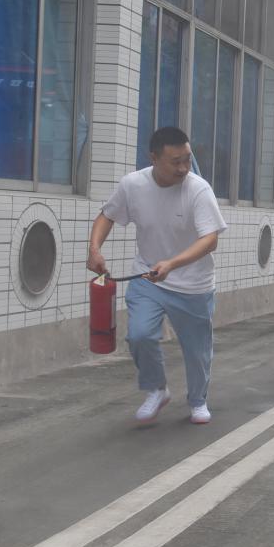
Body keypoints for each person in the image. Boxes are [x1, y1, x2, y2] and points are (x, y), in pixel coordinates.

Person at [87, 127, 227, 424]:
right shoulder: (132, 185)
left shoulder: (198, 189)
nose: (184, 168)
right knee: (139, 335)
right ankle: (156, 389)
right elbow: (107, 215)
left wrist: (172, 264)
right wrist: (95, 249)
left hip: (193, 284)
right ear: (153, 158)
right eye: (176, 161)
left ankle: (198, 400)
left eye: (187, 159)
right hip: (147, 277)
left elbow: (210, 240)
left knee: (197, 351)